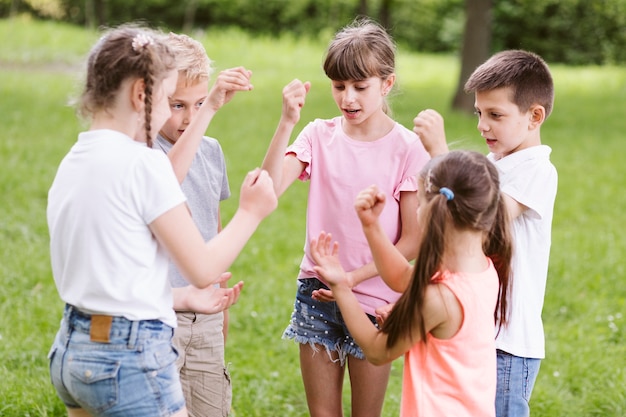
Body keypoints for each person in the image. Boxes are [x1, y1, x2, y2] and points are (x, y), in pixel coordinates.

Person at [46, 25, 276, 417]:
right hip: (129, 355)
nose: (174, 112)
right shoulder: (144, 164)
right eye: (170, 100)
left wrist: (184, 298)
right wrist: (251, 212)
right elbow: (202, 267)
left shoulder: (74, 161)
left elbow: (109, 280)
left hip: (72, 347)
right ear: (141, 95)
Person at [261, 18, 430, 416]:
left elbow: (413, 240)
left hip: (376, 302)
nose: (348, 98)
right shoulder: (318, 135)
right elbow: (266, 191)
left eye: (360, 86)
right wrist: (287, 122)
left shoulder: (408, 148)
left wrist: (350, 279)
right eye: (339, 86)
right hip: (316, 293)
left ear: (386, 84)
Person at [310, 150, 513, 417]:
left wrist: (341, 287)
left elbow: (377, 350)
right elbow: (402, 278)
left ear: (433, 208)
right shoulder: (482, 268)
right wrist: (372, 227)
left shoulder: (437, 298)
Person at [413, 49, 557, 417]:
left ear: (534, 116)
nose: (482, 126)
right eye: (479, 113)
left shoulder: (538, 170)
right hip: (476, 330)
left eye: (496, 115)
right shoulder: (494, 164)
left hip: (509, 343)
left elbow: (482, 221)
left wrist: (441, 154)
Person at [152, 32, 247, 417]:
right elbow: (164, 184)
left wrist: (219, 304)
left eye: (199, 103)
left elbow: (214, 228)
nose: (188, 117)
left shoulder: (211, 152)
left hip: (205, 313)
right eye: (177, 105)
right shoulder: (143, 155)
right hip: (159, 314)